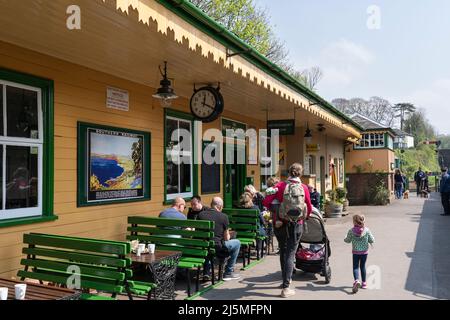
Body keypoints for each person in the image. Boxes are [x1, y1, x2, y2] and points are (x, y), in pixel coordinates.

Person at [270, 163, 312, 298]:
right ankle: (286, 288)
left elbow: (266, 201)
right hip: (296, 224)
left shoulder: (280, 186)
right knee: (290, 253)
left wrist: (277, 211)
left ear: (288, 172)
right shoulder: (304, 187)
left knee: (283, 251)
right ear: (300, 173)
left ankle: (284, 282)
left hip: (280, 224)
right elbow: (309, 207)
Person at [198, 197, 242, 281]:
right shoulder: (224, 216)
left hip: (204, 246)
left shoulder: (201, 215)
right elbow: (226, 238)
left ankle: (206, 272)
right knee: (237, 243)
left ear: (211, 205)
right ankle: (228, 272)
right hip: (217, 247)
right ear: (220, 207)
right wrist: (230, 235)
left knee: (208, 244)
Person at [344, 214, 375, 293]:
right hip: (364, 253)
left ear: (354, 222)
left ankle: (357, 280)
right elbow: (372, 240)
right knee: (362, 266)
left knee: (355, 267)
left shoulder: (351, 231)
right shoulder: (367, 230)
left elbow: (347, 240)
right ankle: (364, 283)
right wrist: (369, 240)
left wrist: (345, 237)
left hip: (355, 252)